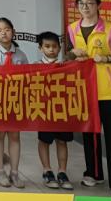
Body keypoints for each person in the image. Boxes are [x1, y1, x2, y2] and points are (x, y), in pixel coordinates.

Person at [67, 0, 111, 198]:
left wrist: (107, 59)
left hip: (110, 92)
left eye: (90, 3)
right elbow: (69, 55)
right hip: (85, 91)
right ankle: (94, 173)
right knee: (90, 135)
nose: (85, 7)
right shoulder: (72, 29)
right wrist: (72, 54)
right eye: (81, 3)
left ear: (99, 5)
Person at [0, 17, 28, 188]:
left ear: (13, 32)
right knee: (0, 134)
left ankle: (14, 172)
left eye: (7, 29)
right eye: (0, 30)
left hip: (16, 100)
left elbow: (27, 78)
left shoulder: (21, 55)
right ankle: (1, 170)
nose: (4, 33)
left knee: (15, 135)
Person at [34, 31, 73, 190]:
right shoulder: (36, 65)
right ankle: (47, 170)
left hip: (62, 109)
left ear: (60, 48)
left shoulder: (66, 65)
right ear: (41, 48)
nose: (51, 50)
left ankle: (62, 172)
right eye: (47, 46)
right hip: (44, 110)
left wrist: (64, 68)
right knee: (45, 140)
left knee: (62, 141)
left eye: (55, 46)